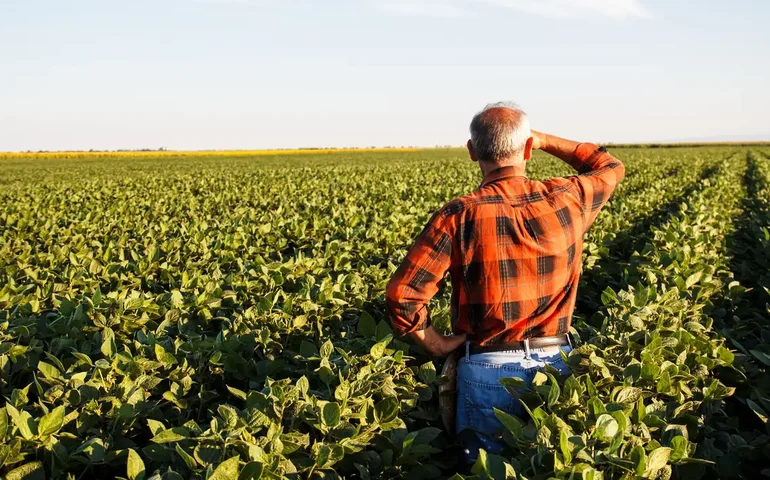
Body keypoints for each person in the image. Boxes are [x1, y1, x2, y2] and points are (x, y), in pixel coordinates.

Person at [385, 102, 625, 463]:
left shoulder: (458, 214)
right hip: (555, 365)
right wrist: (544, 140)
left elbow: (403, 294)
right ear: (528, 148)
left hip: (485, 368)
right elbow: (609, 167)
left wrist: (436, 343)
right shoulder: (568, 198)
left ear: (472, 151)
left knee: (487, 469)